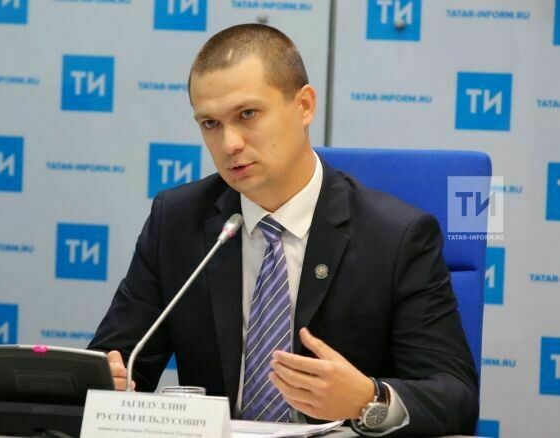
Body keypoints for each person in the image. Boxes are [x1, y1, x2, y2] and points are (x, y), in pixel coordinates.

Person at [89, 24, 478, 436]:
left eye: (247, 114)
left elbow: (455, 397)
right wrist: (109, 380)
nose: (229, 143)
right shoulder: (177, 221)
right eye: (210, 123)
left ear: (304, 106)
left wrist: (369, 399)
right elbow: (118, 361)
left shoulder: (397, 237)